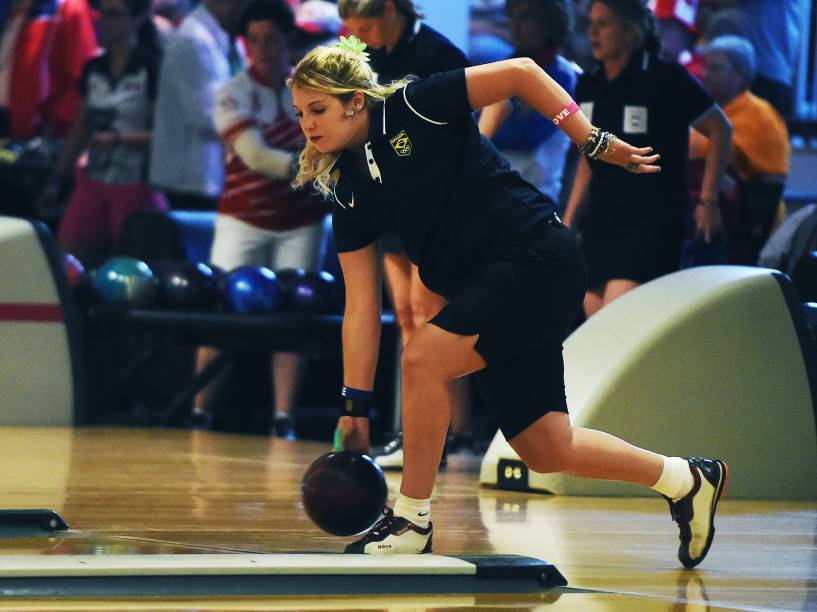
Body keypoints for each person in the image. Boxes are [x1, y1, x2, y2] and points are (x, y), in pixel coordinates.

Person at [288, 36, 729, 567]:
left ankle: (411, 520)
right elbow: (360, 308)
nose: (307, 125)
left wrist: (589, 139)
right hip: (490, 287)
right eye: (300, 113)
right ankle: (685, 478)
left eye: (318, 109)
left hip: (535, 257)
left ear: (355, 100)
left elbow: (521, 73)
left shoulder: (414, 105)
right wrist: (354, 407)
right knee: (546, 448)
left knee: (424, 359)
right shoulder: (348, 190)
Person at [338, 0, 491, 467]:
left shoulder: (437, 55)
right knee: (405, 314)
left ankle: (444, 432)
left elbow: (464, 128)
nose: (358, 36)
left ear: (390, 9)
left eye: (365, 24)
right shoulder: (364, 58)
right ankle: (425, 431)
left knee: (430, 314)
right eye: (352, 28)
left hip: (436, 205)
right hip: (391, 203)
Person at [190, 0, 330, 437]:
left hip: (302, 220)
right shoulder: (231, 91)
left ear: (288, 40)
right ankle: (200, 411)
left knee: (296, 313)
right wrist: (322, 167)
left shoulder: (313, 90)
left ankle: (283, 418)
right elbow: (255, 156)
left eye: (271, 38)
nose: (262, 48)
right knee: (221, 308)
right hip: (243, 219)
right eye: (253, 40)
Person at [562, 0, 731, 318]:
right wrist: (570, 219)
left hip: (651, 220)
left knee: (616, 318)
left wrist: (708, 201)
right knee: (594, 319)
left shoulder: (664, 78)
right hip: (601, 219)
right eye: (591, 23)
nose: (593, 33)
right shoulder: (590, 83)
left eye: (604, 24)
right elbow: (590, 157)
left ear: (630, 30)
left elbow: (720, 128)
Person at [38, 0, 167, 266]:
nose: (103, 21)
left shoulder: (151, 69)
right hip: (94, 178)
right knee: (68, 259)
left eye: (114, 14)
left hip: (136, 183)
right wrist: (58, 178)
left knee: (132, 264)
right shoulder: (94, 69)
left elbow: (166, 134)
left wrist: (120, 139)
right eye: (103, 14)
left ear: (137, 18)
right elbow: (81, 127)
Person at [690, 35, 790, 263]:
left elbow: (706, 155)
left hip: (745, 226)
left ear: (741, 75)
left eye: (715, 68)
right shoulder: (712, 112)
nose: (704, 74)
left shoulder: (760, 114)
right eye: (705, 67)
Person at [149, 0, 250, 210]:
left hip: (217, 178)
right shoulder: (192, 39)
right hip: (192, 180)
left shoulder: (231, 39)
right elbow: (208, 116)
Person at [479, 0, 578, 204]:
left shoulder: (565, 76)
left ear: (548, 22)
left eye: (525, 17)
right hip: (491, 191)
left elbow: (527, 136)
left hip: (537, 196)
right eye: (512, 16)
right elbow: (473, 131)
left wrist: (493, 123)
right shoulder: (499, 69)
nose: (515, 25)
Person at [0, 0, 97, 139]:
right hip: (10, 125)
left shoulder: (68, 8)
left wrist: (53, 121)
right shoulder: (12, 8)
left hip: (38, 134)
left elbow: (85, 80)